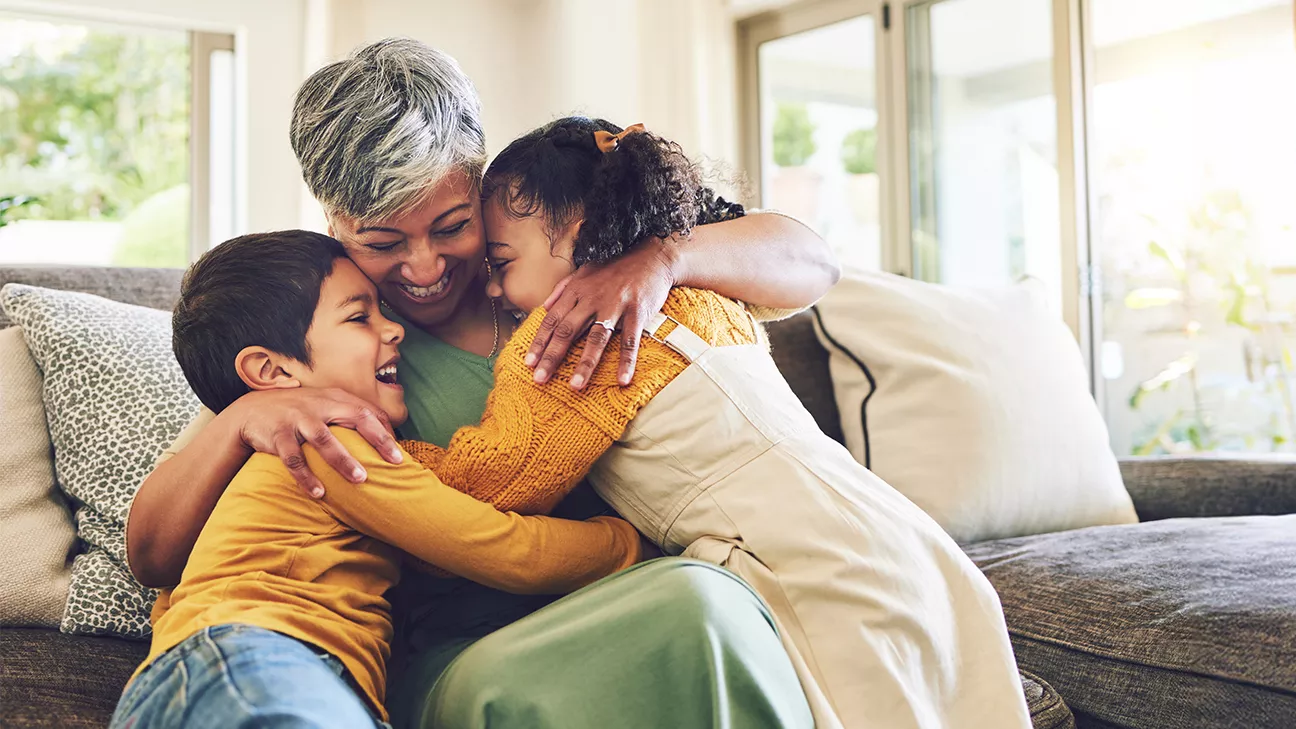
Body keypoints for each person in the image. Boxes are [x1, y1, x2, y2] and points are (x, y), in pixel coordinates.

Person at [124, 38, 833, 728]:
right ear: (333, 223)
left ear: (479, 182)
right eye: (382, 242)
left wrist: (662, 260)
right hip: (473, 649)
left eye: (452, 226)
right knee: (696, 605)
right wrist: (238, 418)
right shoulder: (330, 342)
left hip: (635, 587)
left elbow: (812, 264)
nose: (424, 266)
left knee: (721, 605)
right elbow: (153, 552)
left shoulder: (562, 255)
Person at [406, 117, 1032, 729]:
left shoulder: (573, 341)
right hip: (898, 534)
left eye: (502, 261)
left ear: (577, 230)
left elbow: (489, 484)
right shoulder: (712, 294)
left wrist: (367, 451)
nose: (490, 288)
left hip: (792, 561)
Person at [112, 230, 649, 728]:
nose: (394, 328)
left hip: (261, 675)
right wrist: (636, 546)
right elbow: (507, 548)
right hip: (253, 659)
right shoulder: (326, 441)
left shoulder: (281, 442)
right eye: (358, 317)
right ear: (273, 373)